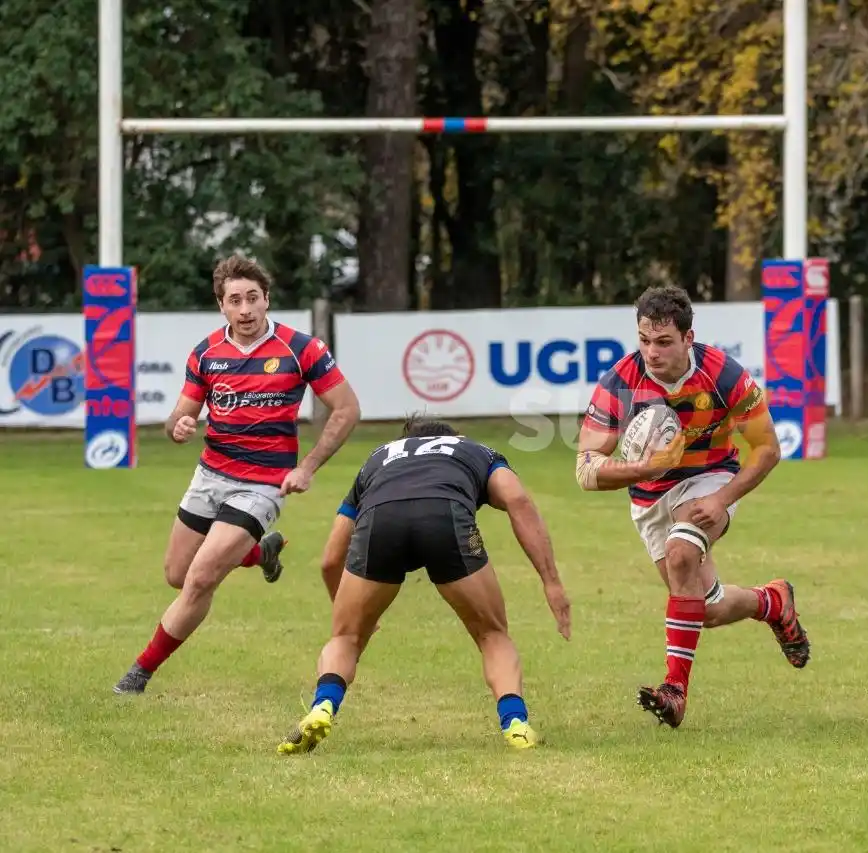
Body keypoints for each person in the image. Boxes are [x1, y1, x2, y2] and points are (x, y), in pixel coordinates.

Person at [113, 255, 361, 695]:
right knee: (177, 573)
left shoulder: (301, 349)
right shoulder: (206, 353)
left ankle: (138, 674)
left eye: (252, 298)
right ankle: (259, 553)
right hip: (210, 475)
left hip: (263, 484)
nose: (245, 309)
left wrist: (307, 467)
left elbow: (346, 409)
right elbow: (178, 417)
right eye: (235, 301)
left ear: (267, 300)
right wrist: (178, 427)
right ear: (221, 306)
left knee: (201, 579)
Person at [575, 284, 809, 729]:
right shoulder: (621, 381)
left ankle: (674, 690)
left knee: (682, 552)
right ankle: (771, 602)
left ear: (688, 338)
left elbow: (767, 449)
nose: (652, 352)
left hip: (710, 478)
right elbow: (586, 469)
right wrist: (642, 468)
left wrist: (722, 499)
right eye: (644, 340)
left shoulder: (723, 375)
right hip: (648, 495)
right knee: (706, 609)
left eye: (664, 342)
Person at [277, 415, 571, 754]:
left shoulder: (378, 457)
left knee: (345, 639)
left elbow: (331, 559)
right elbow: (518, 500)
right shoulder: (475, 449)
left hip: (380, 519)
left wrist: (351, 617)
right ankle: (515, 723)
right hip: (445, 516)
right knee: (492, 634)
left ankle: (322, 706)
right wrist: (551, 582)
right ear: (456, 436)